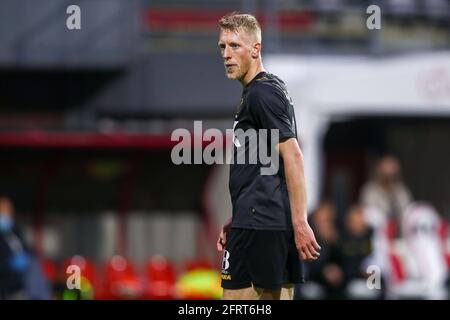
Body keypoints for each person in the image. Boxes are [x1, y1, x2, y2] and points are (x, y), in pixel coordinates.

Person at [216, 12, 320, 300]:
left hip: (258, 225)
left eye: (235, 45)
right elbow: (264, 164)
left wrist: (300, 222)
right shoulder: (270, 89)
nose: (226, 54)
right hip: (263, 220)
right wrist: (237, 216)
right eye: (222, 46)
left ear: (255, 49)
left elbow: (294, 156)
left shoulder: (261, 94)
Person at [0, 196, 31, 299]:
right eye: (2, 211)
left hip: (17, 287)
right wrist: (8, 264)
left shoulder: (16, 231)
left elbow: (25, 249)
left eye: (7, 211)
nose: (5, 214)